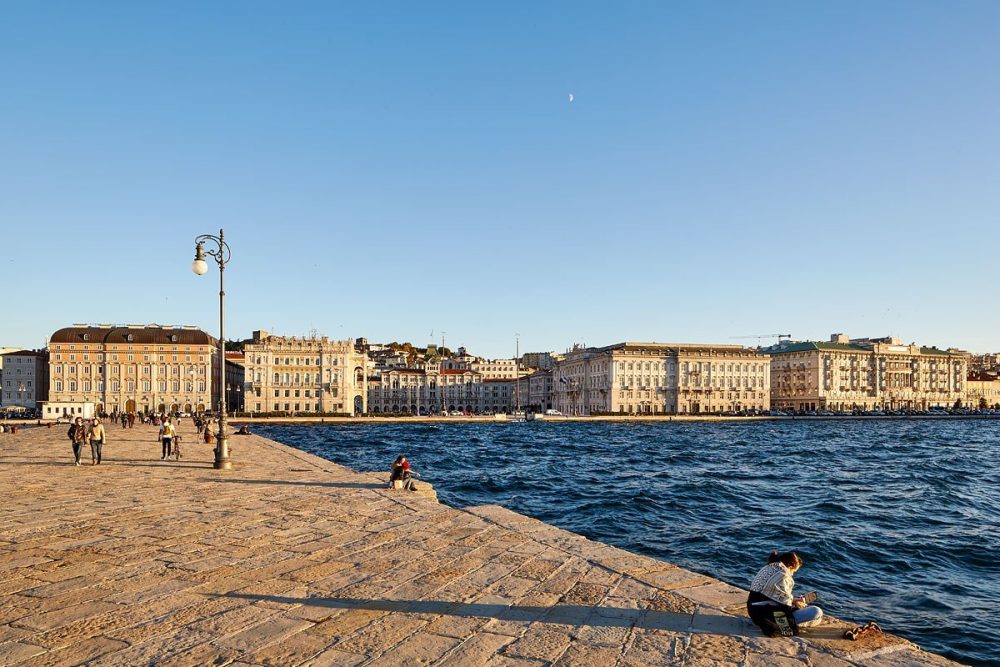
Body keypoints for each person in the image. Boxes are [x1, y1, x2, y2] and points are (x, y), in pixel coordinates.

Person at [747, 551, 823, 636]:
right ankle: (797, 624)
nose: (792, 574)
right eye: (794, 571)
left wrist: (793, 599)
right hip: (766, 615)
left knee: (799, 607)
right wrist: (796, 603)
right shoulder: (784, 576)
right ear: (790, 566)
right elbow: (785, 607)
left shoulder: (768, 567)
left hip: (753, 610)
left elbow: (771, 594)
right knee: (816, 612)